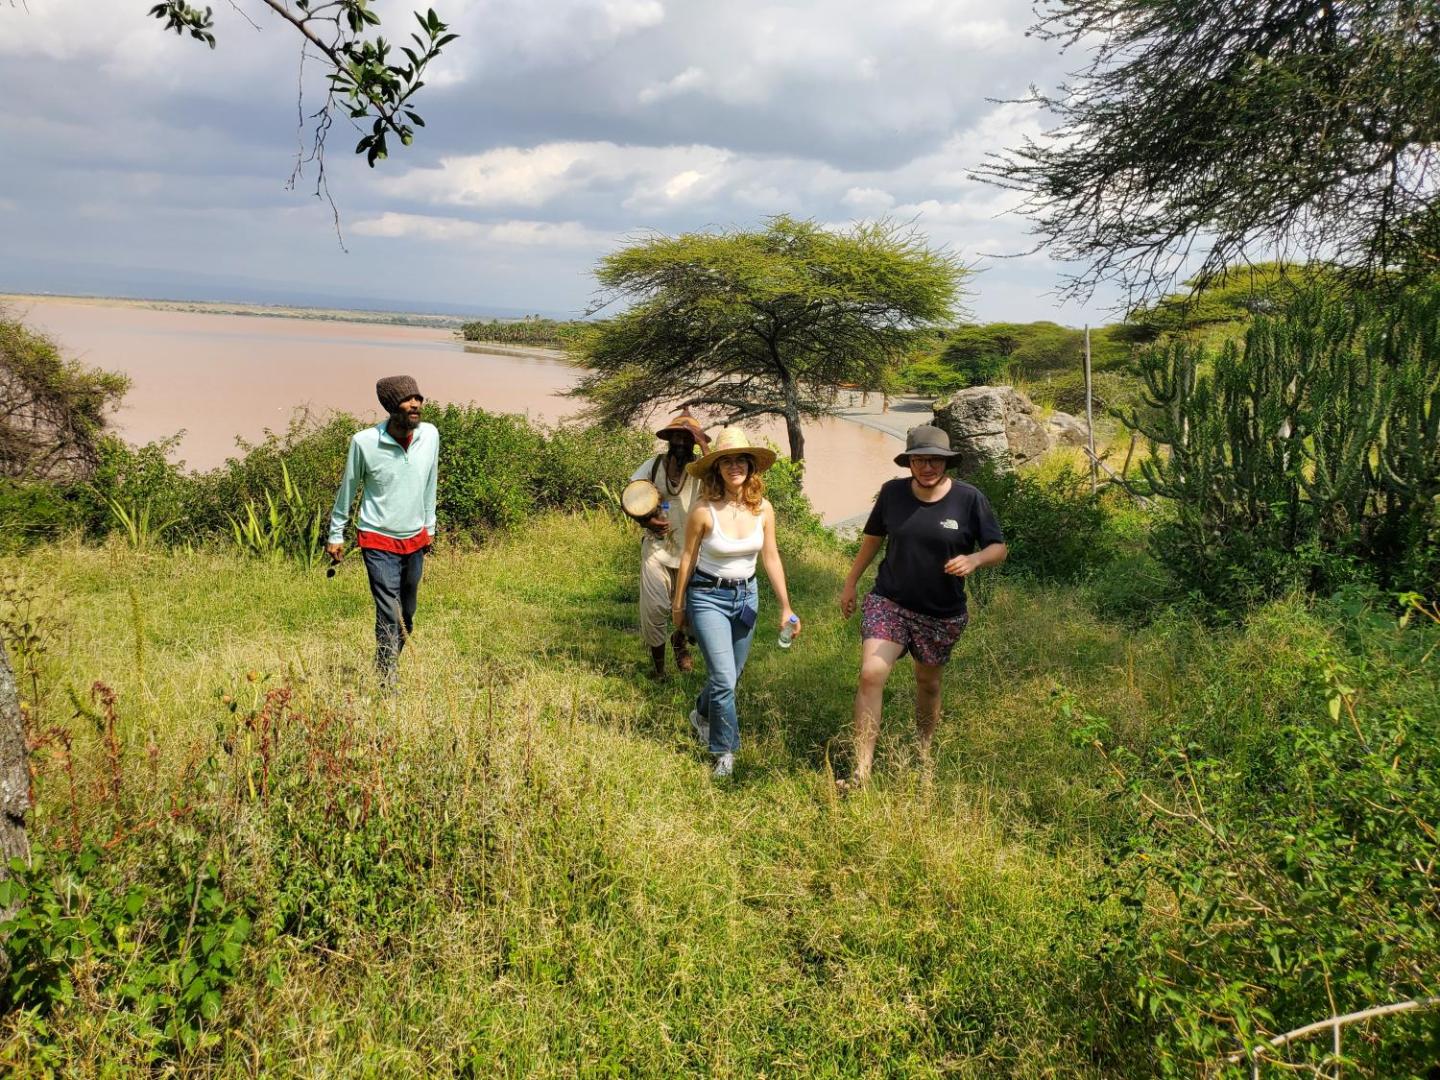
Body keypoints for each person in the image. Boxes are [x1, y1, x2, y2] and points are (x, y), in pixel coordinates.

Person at [837, 424, 1006, 789]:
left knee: (927, 682)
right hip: (890, 600)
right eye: (919, 460)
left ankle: (923, 748)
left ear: (946, 463)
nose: (927, 467)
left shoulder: (969, 498)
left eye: (935, 460)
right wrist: (850, 583)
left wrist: (975, 560)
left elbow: (998, 547)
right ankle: (860, 771)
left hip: (941, 611)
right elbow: (872, 541)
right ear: (909, 462)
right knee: (871, 673)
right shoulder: (892, 493)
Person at [673, 427, 800, 779]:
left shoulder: (764, 509)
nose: (733, 467)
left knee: (731, 675)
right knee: (724, 678)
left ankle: (700, 714)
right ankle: (724, 752)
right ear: (717, 469)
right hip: (707, 596)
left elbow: (771, 558)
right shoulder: (703, 510)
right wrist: (678, 605)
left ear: (750, 466)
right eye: (725, 461)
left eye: (739, 461)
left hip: (747, 596)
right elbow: (687, 557)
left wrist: (786, 607)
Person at [326, 375, 439, 684]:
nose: (416, 403)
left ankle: (383, 662)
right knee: (390, 613)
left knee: (408, 616)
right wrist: (336, 533)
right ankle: (387, 680)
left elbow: (431, 481)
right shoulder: (364, 442)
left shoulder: (430, 435)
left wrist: (430, 526)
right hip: (377, 538)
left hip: (415, 537)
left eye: (418, 398)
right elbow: (348, 489)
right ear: (392, 406)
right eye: (408, 399)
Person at [629, 412, 710, 677]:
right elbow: (629, 497)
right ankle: (659, 668)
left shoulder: (702, 472)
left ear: (694, 443)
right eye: (676, 437)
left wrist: (704, 443)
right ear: (668, 440)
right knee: (655, 608)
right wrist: (646, 522)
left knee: (686, 610)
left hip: (691, 555)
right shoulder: (653, 466)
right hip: (657, 549)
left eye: (687, 439)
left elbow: (722, 477)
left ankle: (680, 643)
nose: (681, 443)